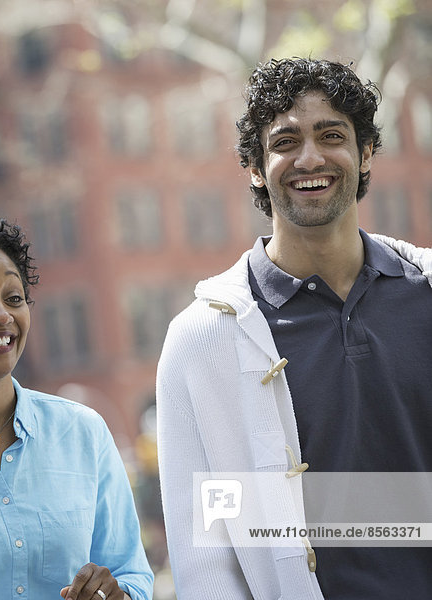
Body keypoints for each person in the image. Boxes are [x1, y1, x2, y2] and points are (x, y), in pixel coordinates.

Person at [156, 58, 432, 599]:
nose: (310, 157)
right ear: (256, 167)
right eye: (285, 141)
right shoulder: (201, 341)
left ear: (366, 152)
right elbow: (206, 555)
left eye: (332, 135)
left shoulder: (426, 294)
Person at [0, 215, 153, 600]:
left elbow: (131, 574)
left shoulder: (82, 430)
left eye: (13, 298)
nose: (3, 316)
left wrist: (115, 594)